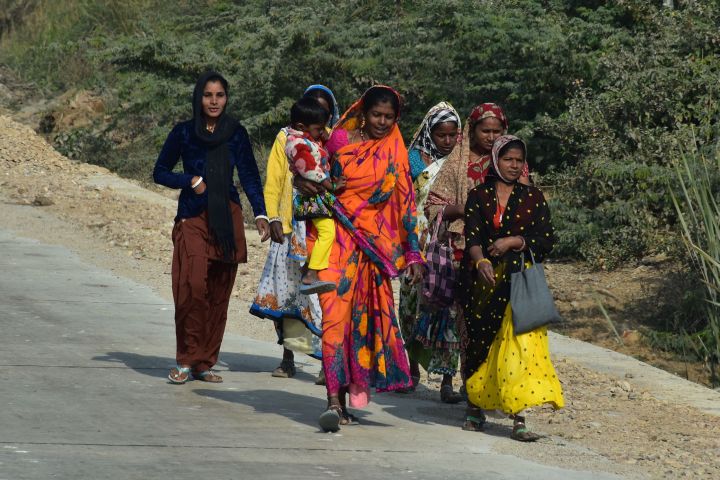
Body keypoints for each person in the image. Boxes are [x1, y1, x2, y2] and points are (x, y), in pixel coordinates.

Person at [297, 85, 424, 432]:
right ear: (362, 113)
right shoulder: (339, 140)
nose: (381, 123)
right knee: (334, 320)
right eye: (375, 115)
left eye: (388, 117)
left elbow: (405, 204)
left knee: (358, 326)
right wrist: (301, 181)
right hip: (335, 238)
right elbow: (310, 166)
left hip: (373, 251)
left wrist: (412, 253)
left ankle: (346, 394)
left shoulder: (396, 153)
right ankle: (332, 401)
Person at [153, 71, 270, 384]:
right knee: (191, 287)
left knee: (219, 292)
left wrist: (260, 213)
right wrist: (189, 180)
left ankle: (204, 362)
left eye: (220, 95)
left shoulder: (235, 133)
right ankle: (185, 359)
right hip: (192, 217)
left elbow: (248, 175)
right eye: (208, 95)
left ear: (226, 98)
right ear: (198, 97)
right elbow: (160, 172)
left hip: (226, 218)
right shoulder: (183, 133)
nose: (214, 101)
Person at [461, 134, 564, 441]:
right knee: (480, 344)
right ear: (495, 160)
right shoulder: (478, 196)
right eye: (508, 159)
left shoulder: (534, 197)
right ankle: (474, 409)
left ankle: (518, 418)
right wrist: (481, 262)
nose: (514, 165)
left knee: (521, 347)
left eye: (519, 160)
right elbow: (473, 238)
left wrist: (514, 242)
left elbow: (546, 240)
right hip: (483, 281)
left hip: (520, 281)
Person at [249, 85, 339, 379]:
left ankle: (328, 362)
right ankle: (290, 356)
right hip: (290, 226)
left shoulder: (332, 140)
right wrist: (273, 216)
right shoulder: (285, 139)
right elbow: (275, 179)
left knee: (322, 297)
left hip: (323, 223)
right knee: (288, 294)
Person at [397, 101, 464, 403]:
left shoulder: (463, 162)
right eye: (441, 136)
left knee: (449, 312)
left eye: (453, 135)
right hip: (417, 243)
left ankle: (447, 380)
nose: (448, 142)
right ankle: (411, 371)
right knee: (411, 306)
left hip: (450, 243)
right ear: (429, 133)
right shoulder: (413, 160)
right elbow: (403, 200)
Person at [285, 97, 346, 294]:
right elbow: (309, 169)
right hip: (312, 197)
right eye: (319, 129)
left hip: (313, 196)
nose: (322, 133)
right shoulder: (298, 144)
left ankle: (306, 269)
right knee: (327, 231)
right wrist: (331, 185)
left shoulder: (303, 139)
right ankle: (312, 273)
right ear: (302, 126)